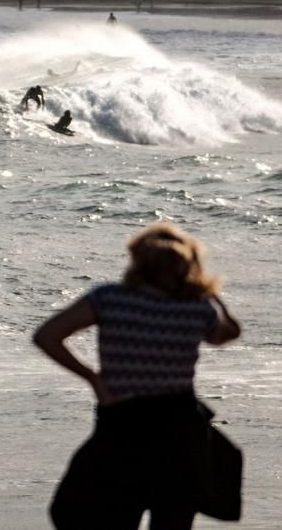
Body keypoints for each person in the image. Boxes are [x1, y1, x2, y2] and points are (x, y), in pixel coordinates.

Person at [33, 223, 241, 529]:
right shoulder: (196, 308)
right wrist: (212, 295)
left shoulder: (109, 299)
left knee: (87, 511)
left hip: (122, 424)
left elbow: (47, 336)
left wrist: (93, 378)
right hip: (180, 428)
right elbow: (227, 334)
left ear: (137, 261)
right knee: (172, 520)